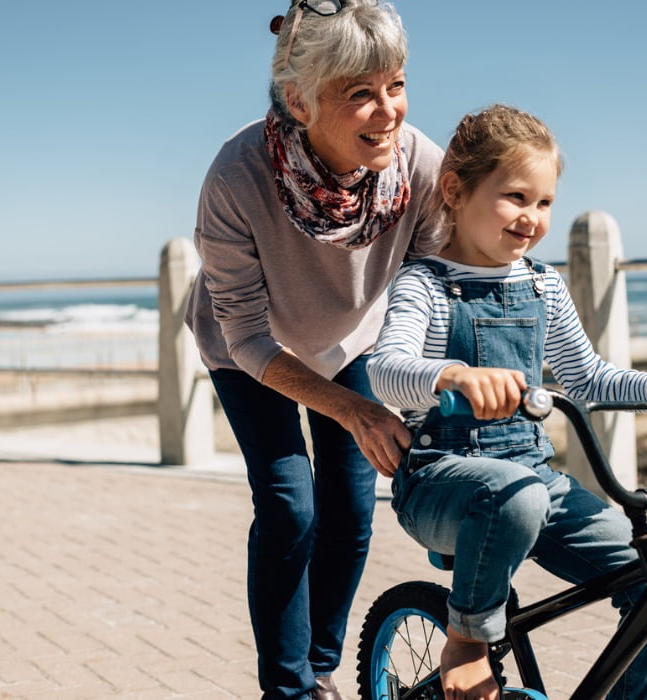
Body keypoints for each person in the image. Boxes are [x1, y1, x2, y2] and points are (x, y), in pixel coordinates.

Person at [367, 104, 647, 700]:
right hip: (441, 479)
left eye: (544, 203)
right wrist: (451, 376)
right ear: (455, 190)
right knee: (515, 498)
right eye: (515, 197)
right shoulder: (423, 282)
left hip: (533, 480)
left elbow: (586, 379)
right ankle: (468, 637)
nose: (531, 218)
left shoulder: (541, 284)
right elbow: (385, 372)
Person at [183, 1, 444, 697]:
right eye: (360, 93)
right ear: (299, 100)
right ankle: (288, 688)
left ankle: (321, 669)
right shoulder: (236, 177)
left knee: (352, 511)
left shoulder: (418, 164)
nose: (387, 110)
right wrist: (355, 413)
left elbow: (440, 286)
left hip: (349, 336)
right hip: (250, 347)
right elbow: (245, 334)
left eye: (395, 84)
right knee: (291, 504)